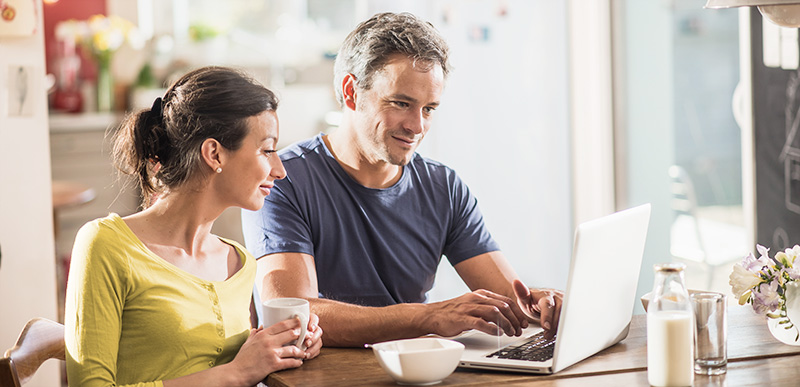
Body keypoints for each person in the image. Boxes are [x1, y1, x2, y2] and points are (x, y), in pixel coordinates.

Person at [241, 12, 563, 348]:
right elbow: (294, 316)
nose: (417, 126)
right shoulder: (281, 180)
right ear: (351, 92)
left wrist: (539, 306)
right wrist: (428, 317)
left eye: (429, 109)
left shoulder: (444, 188)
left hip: (416, 372)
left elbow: (511, 301)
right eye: (401, 103)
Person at [65, 66, 322, 387]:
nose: (280, 170)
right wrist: (237, 372)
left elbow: (217, 361)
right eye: (267, 150)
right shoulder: (106, 245)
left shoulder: (239, 263)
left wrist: (280, 348)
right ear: (214, 153)